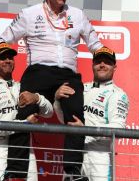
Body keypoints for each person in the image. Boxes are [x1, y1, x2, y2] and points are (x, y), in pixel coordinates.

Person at [0, 0, 103, 179]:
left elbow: (96, 45)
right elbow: (2, 41)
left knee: (75, 115)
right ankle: (15, 173)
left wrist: (105, 59)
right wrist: (6, 65)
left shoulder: (78, 15)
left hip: (68, 74)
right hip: (38, 72)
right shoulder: (29, 14)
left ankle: (72, 173)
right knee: (24, 114)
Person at [0, 42, 53, 181]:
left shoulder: (23, 87)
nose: (7, 60)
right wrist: (25, 124)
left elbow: (49, 112)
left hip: (27, 153)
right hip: (1, 153)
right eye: (2, 57)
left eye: (10, 57)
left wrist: (37, 98)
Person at [54, 47, 130, 181]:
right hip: (74, 153)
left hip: (99, 155)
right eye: (98, 61)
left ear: (114, 67)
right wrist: (57, 100)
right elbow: (64, 120)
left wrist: (84, 130)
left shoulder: (118, 94)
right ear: (92, 65)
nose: (102, 65)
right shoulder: (80, 88)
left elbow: (118, 128)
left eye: (107, 62)